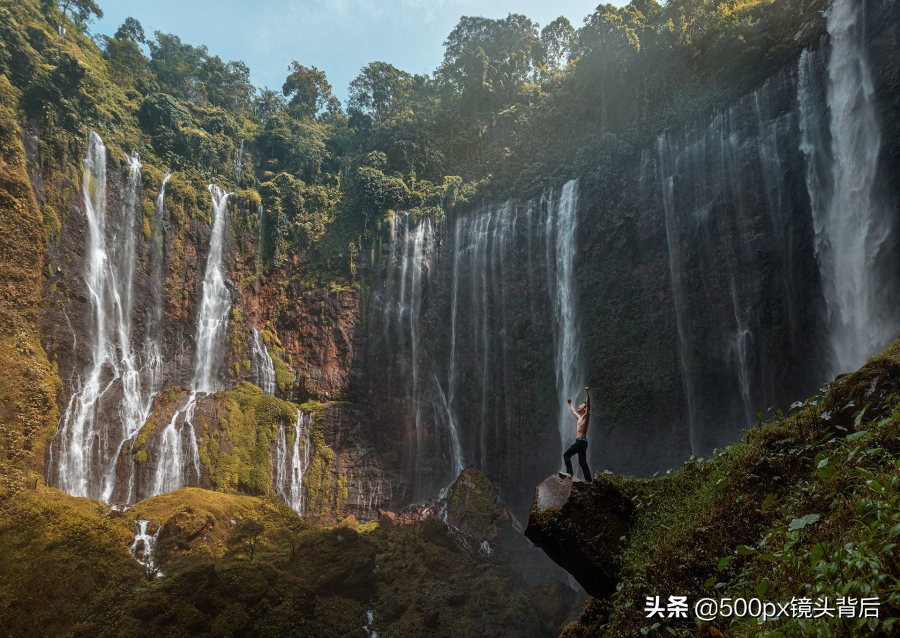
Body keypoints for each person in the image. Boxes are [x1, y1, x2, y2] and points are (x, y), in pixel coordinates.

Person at [561, 387, 592, 481]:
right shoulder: (579, 418)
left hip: (580, 442)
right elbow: (573, 411)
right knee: (582, 463)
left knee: (566, 455)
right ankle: (589, 480)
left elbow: (588, 404)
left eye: (581, 405)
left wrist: (587, 392)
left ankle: (569, 473)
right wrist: (569, 404)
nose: (579, 406)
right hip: (582, 443)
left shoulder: (586, 416)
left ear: (585, 408)